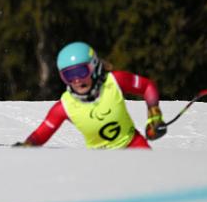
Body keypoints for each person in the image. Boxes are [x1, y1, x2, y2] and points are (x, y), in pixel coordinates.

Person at [15, 41, 167, 149]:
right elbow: (41, 134)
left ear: (94, 66)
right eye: (69, 75)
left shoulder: (114, 81)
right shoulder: (64, 107)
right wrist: (27, 145)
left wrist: (155, 116)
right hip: (98, 163)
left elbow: (147, 86)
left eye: (81, 72)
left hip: (134, 146)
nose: (76, 80)